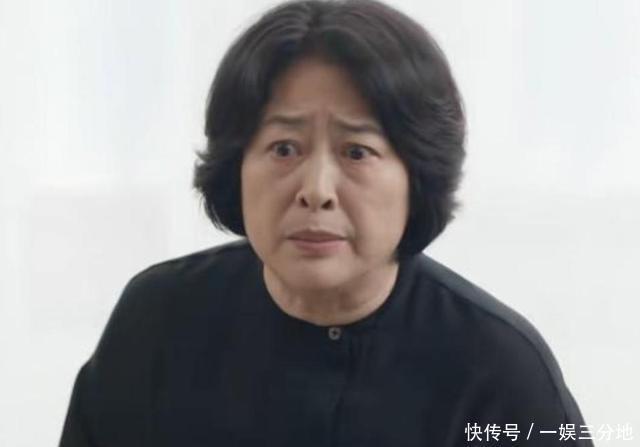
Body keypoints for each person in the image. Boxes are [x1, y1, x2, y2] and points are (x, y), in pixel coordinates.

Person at [59, 0, 594, 446]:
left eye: (357, 151)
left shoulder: (499, 370)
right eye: (283, 148)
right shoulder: (157, 320)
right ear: (236, 165)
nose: (316, 189)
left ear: (417, 176)